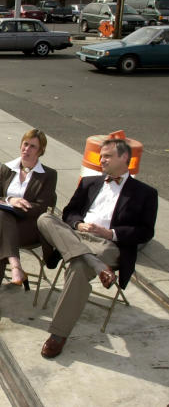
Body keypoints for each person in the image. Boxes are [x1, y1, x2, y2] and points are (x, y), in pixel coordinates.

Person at [37, 138, 157, 358]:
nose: (101, 160)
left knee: (78, 266)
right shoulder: (89, 182)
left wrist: (110, 233)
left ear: (124, 158)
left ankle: (58, 335)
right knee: (45, 218)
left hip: (109, 245)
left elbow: (146, 232)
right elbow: (68, 212)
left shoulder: (145, 193)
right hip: (76, 235)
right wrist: (78, 224)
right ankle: (97, 265)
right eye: (101, 156)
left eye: (107, 156)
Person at [0, 129, 57, 319]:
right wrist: (10, 200)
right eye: (25, 144)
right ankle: (15, 265)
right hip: (4, 224)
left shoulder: (48, 175)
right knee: (1, 216)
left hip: (29, 227)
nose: (27, 149)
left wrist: (17, 207)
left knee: (1, 225)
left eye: (33, 146)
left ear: (40, 151)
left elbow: (41, 207)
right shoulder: (7, 168)